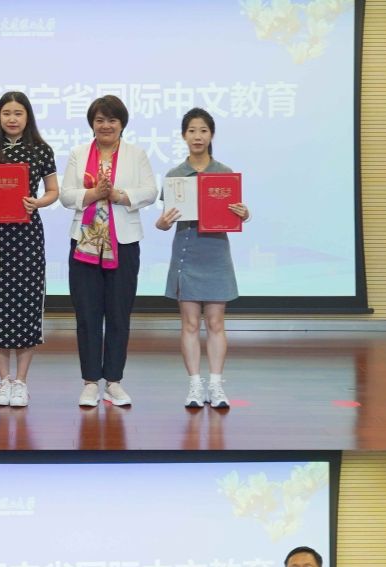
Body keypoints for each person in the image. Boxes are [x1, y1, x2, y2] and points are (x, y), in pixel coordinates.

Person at [59, 94, 157, 407]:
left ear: (122, 124)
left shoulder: (136, 154)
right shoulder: (78, 154)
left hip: (123, 243)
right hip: (84, 243)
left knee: (118, 313)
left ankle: (114, 381)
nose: (106, 125)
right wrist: (92, 194)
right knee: (87, 315)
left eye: (112, 120)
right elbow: (65, 195)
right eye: (99, 120)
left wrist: (119, 195)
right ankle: (90, 382)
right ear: (92, 123)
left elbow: (151, 191)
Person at [156, 107, 251, 408]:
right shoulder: (174, 176)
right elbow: (165, 219)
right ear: (183, 135)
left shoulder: (224, 173)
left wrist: (244, 214)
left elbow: (236, 213)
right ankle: (195, 386)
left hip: (216, 253)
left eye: (203, 131)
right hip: (187, 252)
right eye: (192, 131)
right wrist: (162, 223)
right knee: (189, 324)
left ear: (211, 135)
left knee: (216, 323)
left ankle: (217, 386)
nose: (197, 136)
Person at [0, 90, 59, 405]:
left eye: (18, 113)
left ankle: (21, 381)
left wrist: (37, 203)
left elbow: (53, 191)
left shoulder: (41, 150)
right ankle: (3, 381)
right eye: (6, 113)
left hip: (27, 236)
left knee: (26, 305)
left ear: (27, 117)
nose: (12, 118)